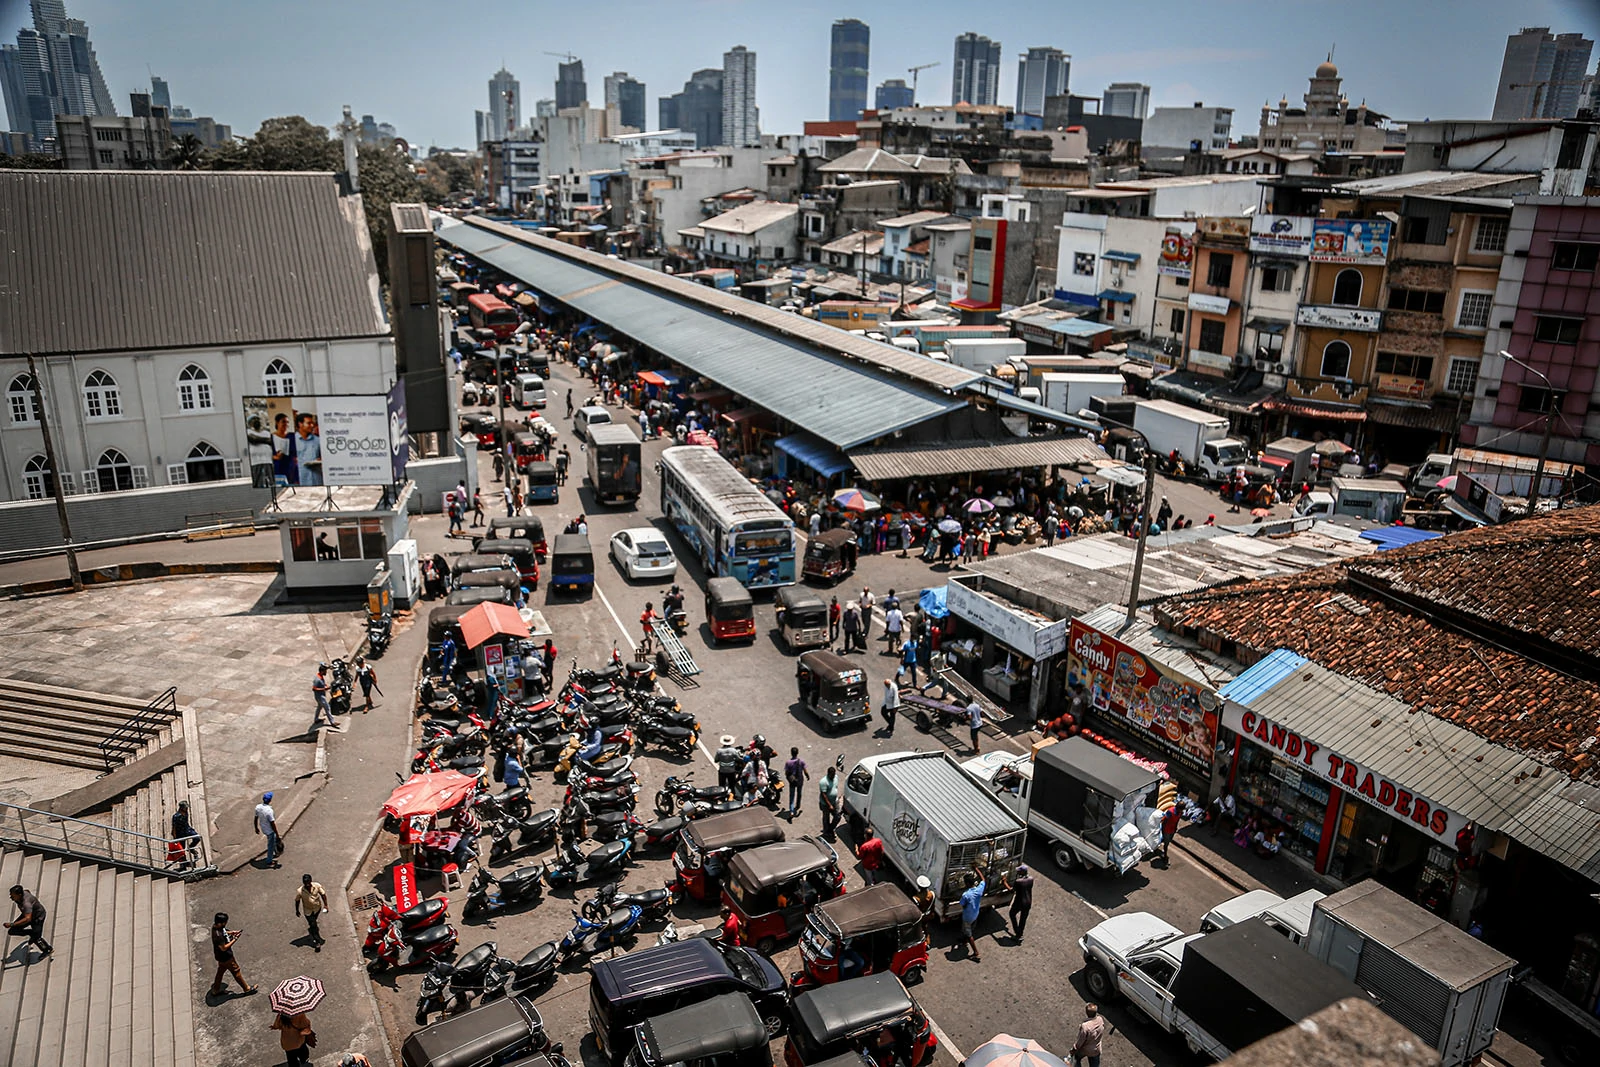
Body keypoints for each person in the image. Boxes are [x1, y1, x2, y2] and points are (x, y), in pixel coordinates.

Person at [208, 913, 254, 997]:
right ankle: (246, 988)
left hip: (220, 957)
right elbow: (224, 948)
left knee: (220, 971)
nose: (225, 924)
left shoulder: (215, 927)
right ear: (220, 923)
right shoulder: (218, 936)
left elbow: (224, 932)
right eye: (224, 923)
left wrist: (231, 932)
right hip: (226, 957)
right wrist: (235, 939)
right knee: (236, 971)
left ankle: (216, 990)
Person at [4, 884, 51, 958]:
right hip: (28, 914)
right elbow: (27, 891)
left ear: (19, 895)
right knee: (12, 931)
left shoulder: (26, 904)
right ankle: (31, 933)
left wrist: (12, 924)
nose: (11, 897)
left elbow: (27, 919)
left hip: (37, 918)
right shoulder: (23, 893)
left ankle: (47, 950)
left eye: (13, 895)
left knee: (37, 938)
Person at [294, 874, 329, 951]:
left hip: (317, 908)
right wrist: (297, 910)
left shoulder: (317, 886)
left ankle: (313, 928)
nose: (307, 884)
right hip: (308, 911)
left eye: (308, 882)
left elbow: (323, 895)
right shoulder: (300, 891)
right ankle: (317, 942)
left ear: (311, 881)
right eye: (305, 882)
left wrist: (326, 905)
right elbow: (297, 900)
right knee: (313, 925)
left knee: (313, 923)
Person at [959, 867, 987, 962]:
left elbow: (962, 905)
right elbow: (983, 879)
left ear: (966, 884)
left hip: (967, 916)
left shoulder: (966, 895)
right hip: (975, 914)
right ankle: (964, 940)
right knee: (970, 928)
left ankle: (976, 952)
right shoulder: (979, 890)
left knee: (969, 933)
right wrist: (976, 869)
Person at [170, 799, 201, 871]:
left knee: (197, 838)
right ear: (181, 808)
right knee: (181, 850)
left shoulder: (186, 812)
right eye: (185, 807)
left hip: (187, 829)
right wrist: (175, 838)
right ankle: (183, 866)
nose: (186, 809)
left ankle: (191, 848)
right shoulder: (176, 816)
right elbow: (174, 828)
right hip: (180, 833)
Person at [1007, 864, 1034, 942]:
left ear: (1022, 872)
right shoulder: (1031, 879)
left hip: (1019, 902)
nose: (1018, 872)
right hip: (1028, 902)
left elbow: (1012, 891)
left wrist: (1005, 882)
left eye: (1019, 871)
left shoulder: (1018, 882)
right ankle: (1020, 933)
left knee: (1012, 914)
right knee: (1023, 919)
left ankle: (1018, 933)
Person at [255, 792, 281, 869]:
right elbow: (272, 824)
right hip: (270, 830)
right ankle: (269, 861)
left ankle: (276, 852)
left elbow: (256, 818)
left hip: (263, 828)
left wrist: (256, 827)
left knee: (272, 841)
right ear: (270, 800)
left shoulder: (258, 807)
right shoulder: (269, 811)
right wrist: (277, 834)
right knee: (270, 844)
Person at [311, 665, 339, 732]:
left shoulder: (320, 677)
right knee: (327, 708)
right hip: (320, 697)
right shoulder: (317, 679)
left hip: (321, 696)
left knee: (319, 707)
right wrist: (324, 688)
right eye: (325, 671)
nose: (326, 672)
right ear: (322, 671)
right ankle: (332, 722)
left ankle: (316, 719)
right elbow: (314, 688)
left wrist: (325, 686)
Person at [818, 764, 842, 840]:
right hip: (825, 804)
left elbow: (835, 787)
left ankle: (830, 829)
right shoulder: (823, 782)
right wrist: (829, 805)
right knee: (826, 818)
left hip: (834, 802)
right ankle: (826, 832)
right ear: (828, 774)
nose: (833, 776)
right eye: (832, 775)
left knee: (837, 816)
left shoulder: (836, 778)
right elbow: (823, 795)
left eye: (834, 774)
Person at [783, 747, 809, 819]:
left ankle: (791, 811)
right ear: (797, 753)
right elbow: (805, 771)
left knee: (792, 796)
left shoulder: (788, 762)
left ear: (791, 753)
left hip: (792, 781)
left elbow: (786, 772)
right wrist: (807, 776)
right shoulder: (801, 761)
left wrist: (788, 777)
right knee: (799, 793)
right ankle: (798, 805)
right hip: (800, 780)